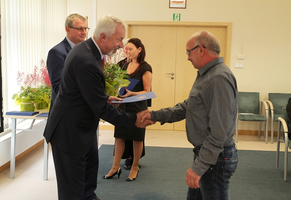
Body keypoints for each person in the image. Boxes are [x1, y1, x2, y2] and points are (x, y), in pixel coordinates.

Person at [43, 15, 152, 200]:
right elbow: (100, 108)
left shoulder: (87, 51)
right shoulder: (86, 59)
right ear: (103, 36)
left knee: (86, 186)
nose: (120, 45)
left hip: (80, 130)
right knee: (73, 192)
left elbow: (84, 92)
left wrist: (103, 97)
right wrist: (135, 119)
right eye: (118, 39)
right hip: (70, 134)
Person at [139, 30, 238, 200]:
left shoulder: (218, 78)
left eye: (188, 52)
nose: (188, 58)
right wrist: (155, 116)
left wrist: (199, 167)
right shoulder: (207, 75)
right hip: (207, 155)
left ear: (201, 49)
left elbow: (219, 132)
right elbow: (189, 107)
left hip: (215, 159)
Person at [103, 38, 152, 181]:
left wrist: (133, 93)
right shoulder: (122, 65)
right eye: (126, 49)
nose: (127, 51)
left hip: (138, 108)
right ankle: (114, 167)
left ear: (139, 49)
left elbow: (147, 91)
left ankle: (135, 166)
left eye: (130, 49)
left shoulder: (145, 67)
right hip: (122, 107)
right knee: (119, 137)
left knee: (137, 138)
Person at [46, 13, 88, 106]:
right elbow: (59, 88)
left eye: (85, 28)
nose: (84, 32)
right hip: (66, 113)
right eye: (80, 28)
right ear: (67, 29)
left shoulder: (87, 51)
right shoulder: (56, 52)